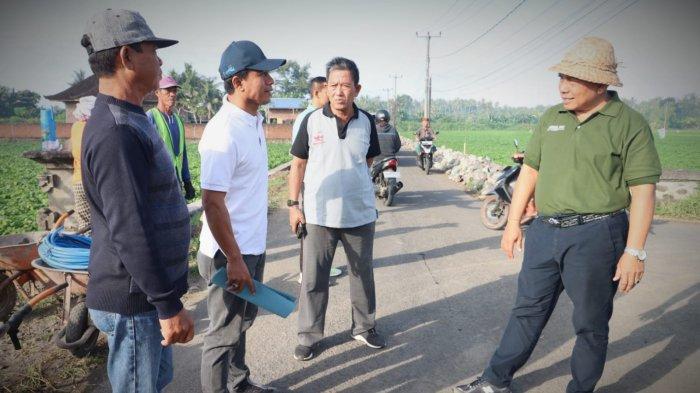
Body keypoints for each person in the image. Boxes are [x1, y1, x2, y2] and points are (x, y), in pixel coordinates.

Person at [455, 37, 661, 393]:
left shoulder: (629, 124)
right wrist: (513, 224)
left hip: (597, 234)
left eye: (573, 79)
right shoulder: (552, 117)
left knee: (590, 322)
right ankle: (494, 381)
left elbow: (643, 190)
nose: (563, 86)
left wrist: (634, 251)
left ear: (600, 83)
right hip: (544, 231)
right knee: (526, 309)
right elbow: (530, 172)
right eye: (562, 77)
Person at [79, 9, 194, 393]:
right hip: (134, 301)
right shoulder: (116, 132)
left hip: (143, 297)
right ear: (127, 57)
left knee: (154, 382)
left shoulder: (132, 117)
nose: (160, 60)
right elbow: (130, 228)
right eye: (152, 50)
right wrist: (167, 304)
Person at [197, 40, 285, 393]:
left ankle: (239, 382)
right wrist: (234, 259)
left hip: (249, 247)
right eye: (262, 74)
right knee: (222, 334)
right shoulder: (224, 131)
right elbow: (212, 203)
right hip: (227, 253)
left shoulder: (252, 121)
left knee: (241, 323)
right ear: (237, 82)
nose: (270, 81)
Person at [288, 57, 386, 361]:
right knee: (315, 279)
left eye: (345, 85)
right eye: (333, 85)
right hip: (318, 216)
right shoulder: (312, 121)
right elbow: (298, 164)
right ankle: (309, 335)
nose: (339, 91)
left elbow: (367, 160)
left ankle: (364, 327)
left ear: (356, 89)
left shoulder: (367, 121)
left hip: (359, 215)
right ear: (326, 88)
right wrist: (294, 206)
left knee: (362, 274)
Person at [291, 76, 339, 283]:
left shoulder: (318, 115)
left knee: (324, 222)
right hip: (310, 180)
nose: (332, 95)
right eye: (328, 90)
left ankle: (322, 266)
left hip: (319, 180)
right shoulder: (309, 118)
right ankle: (307, 272)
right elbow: (299, 158)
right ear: (318, 92)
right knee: (310, 224)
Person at [147, 76, 196, 200]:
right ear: (157, 93)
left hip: (176, 183)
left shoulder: (178, 120)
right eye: (167, 90)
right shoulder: (150, 117)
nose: (172, 94)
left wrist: (187, 181)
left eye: (174, 90)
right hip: (158, 186)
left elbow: (182, 154)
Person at [70, 95, 95, 231]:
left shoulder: (75, 127)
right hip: (92, 182)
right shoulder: (93, 128)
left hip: (78, 182)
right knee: (101, 222)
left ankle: (85, 249)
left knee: (85, 225)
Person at [292, 76, 328, 143]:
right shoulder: (304, 117)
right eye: (327, 92)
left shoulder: (329, 116)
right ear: (316, 93)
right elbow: (298, 150)